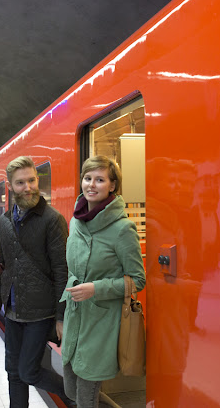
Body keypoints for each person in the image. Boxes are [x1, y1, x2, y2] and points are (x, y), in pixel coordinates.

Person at [60, 156, 146, 408]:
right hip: (75, 316)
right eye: (88, 178)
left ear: (112, 185)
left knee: (86, 395)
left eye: (100, 179)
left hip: (102, 322)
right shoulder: (76, 220)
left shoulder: (122, 229)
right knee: (72, 390)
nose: (92, 185)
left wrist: (96, 289)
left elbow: (138, 279)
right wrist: (61, 315)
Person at [0, 156, 71, 408]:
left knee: (29, 371)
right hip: (13, 312)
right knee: (13, 373)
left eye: (32, 180)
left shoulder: (52, 220)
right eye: (21, 182)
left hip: (41, 313)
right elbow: (1, 268)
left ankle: (71, 394)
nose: (29, 187)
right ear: (11, 187)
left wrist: (61, 316)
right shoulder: (4, 222)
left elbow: (61, 270)